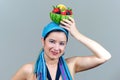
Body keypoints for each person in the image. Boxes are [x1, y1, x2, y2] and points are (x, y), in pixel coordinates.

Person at [12, 17, 111, 80]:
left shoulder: (71, 65)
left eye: (62, 43)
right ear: (43, 41)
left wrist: (77, 34)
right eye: (52, 41)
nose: (56, 48)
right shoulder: (29, 70)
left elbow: (105, 56)